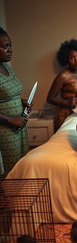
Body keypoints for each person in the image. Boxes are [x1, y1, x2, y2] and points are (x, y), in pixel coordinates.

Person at [0, 27, 30, 176]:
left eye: (10, 45)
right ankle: (9, 199)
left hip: (19, 124)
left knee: (22, 164)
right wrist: (11, 119)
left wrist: (22, 102)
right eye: (5, 47)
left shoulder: (6, 66)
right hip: (5, 129)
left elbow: (8, 94)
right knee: (10, 170)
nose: (10, 50)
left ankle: (20, 196)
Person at [47, 39, 77, 131]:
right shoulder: (63, 76)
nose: (76, 61)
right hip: (65, 115)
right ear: (66, 60)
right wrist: (67, 102)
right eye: (72, 58)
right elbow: (50, 98)